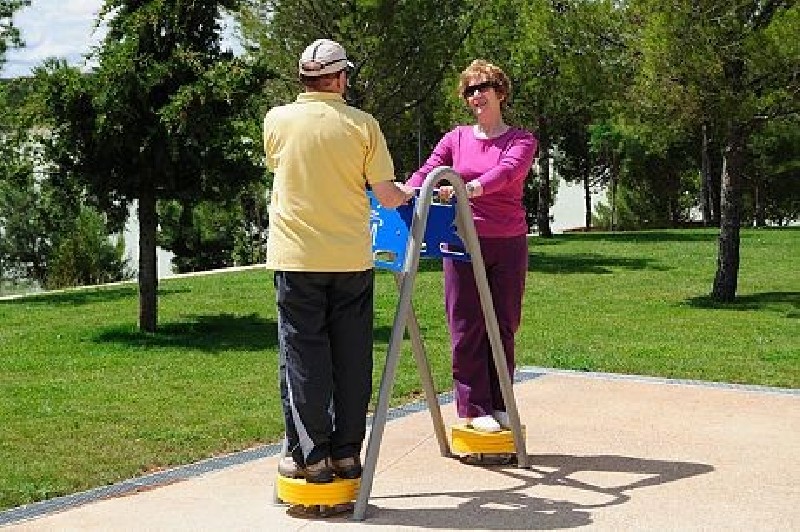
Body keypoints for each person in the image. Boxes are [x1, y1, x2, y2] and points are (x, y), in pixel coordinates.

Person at [263, 38, 415, 483]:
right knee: (351, 357)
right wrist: (407, 190)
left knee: (303, 356)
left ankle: (310, 457)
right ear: (341, 77)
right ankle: (347, 453)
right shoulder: (363, 125)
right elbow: (387, 196)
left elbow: (280, 166)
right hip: (351, 258)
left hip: (297, 259)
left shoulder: (278, 120)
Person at [406, 59, 537, 433]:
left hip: (507, 241)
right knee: (465, 324)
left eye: (483, 87)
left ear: (500, 92)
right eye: (470, 90)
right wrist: (406, 190)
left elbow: (508, 172)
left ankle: (500, 401)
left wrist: (470, 188)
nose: (476, 95)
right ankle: (473, 406)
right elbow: (430, 169)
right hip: (461, 239)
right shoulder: (456, 138)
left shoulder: (521, 140)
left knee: (504, 324)